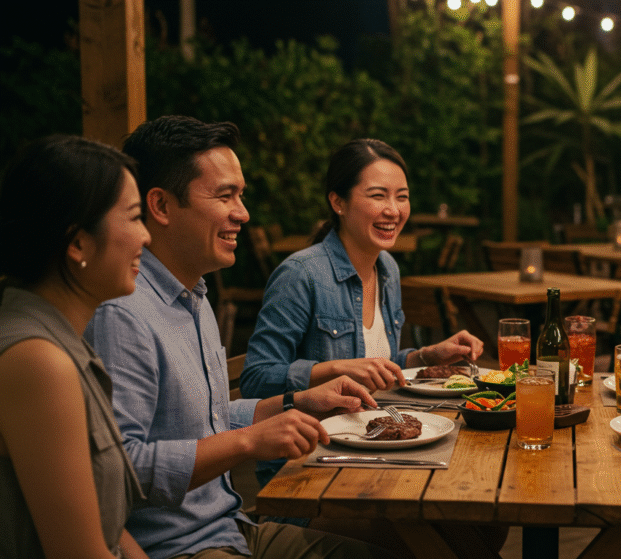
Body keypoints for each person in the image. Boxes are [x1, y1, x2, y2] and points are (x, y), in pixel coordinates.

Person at [85, 115, 397, 559]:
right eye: (225, 195)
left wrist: (298, 402)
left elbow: (204, 423)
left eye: (241, 195)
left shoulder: (193, 293)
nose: (243, 213)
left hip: (233, 525)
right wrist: (250, 442)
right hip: (180, 547)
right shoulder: (124, 315)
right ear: (161, 206)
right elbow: (121, 469)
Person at [239, 138, 483, 403]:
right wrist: (339, 369)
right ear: (338, 202)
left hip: (377, 425)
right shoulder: (301, 275)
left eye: (402, 197)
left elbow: (381, 364)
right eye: (378, 196)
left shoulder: (387, 268)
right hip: (317, 437)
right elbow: (256, 379)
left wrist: (428, 356)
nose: (393, 210)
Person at [0, 135, 150, 558]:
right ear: (78, 242)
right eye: (135, 218)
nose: (146, 237)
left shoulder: (61, 341)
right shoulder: (37, 361)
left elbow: (110, 532)